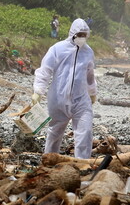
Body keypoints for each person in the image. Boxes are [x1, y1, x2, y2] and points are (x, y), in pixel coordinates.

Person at [32, 18, 97, 159]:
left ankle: (82, 165)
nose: (82, 38)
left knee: (85, 132)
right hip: (58, 99)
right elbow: (45, 70)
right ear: (72, 33)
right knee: (55, 132)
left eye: (84, 35)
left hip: (81, 100)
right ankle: (49, 161)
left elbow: (90, 75)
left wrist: (92, 92)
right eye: (79, 34)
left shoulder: (88, 52)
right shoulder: (58, 49)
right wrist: (38, 91)